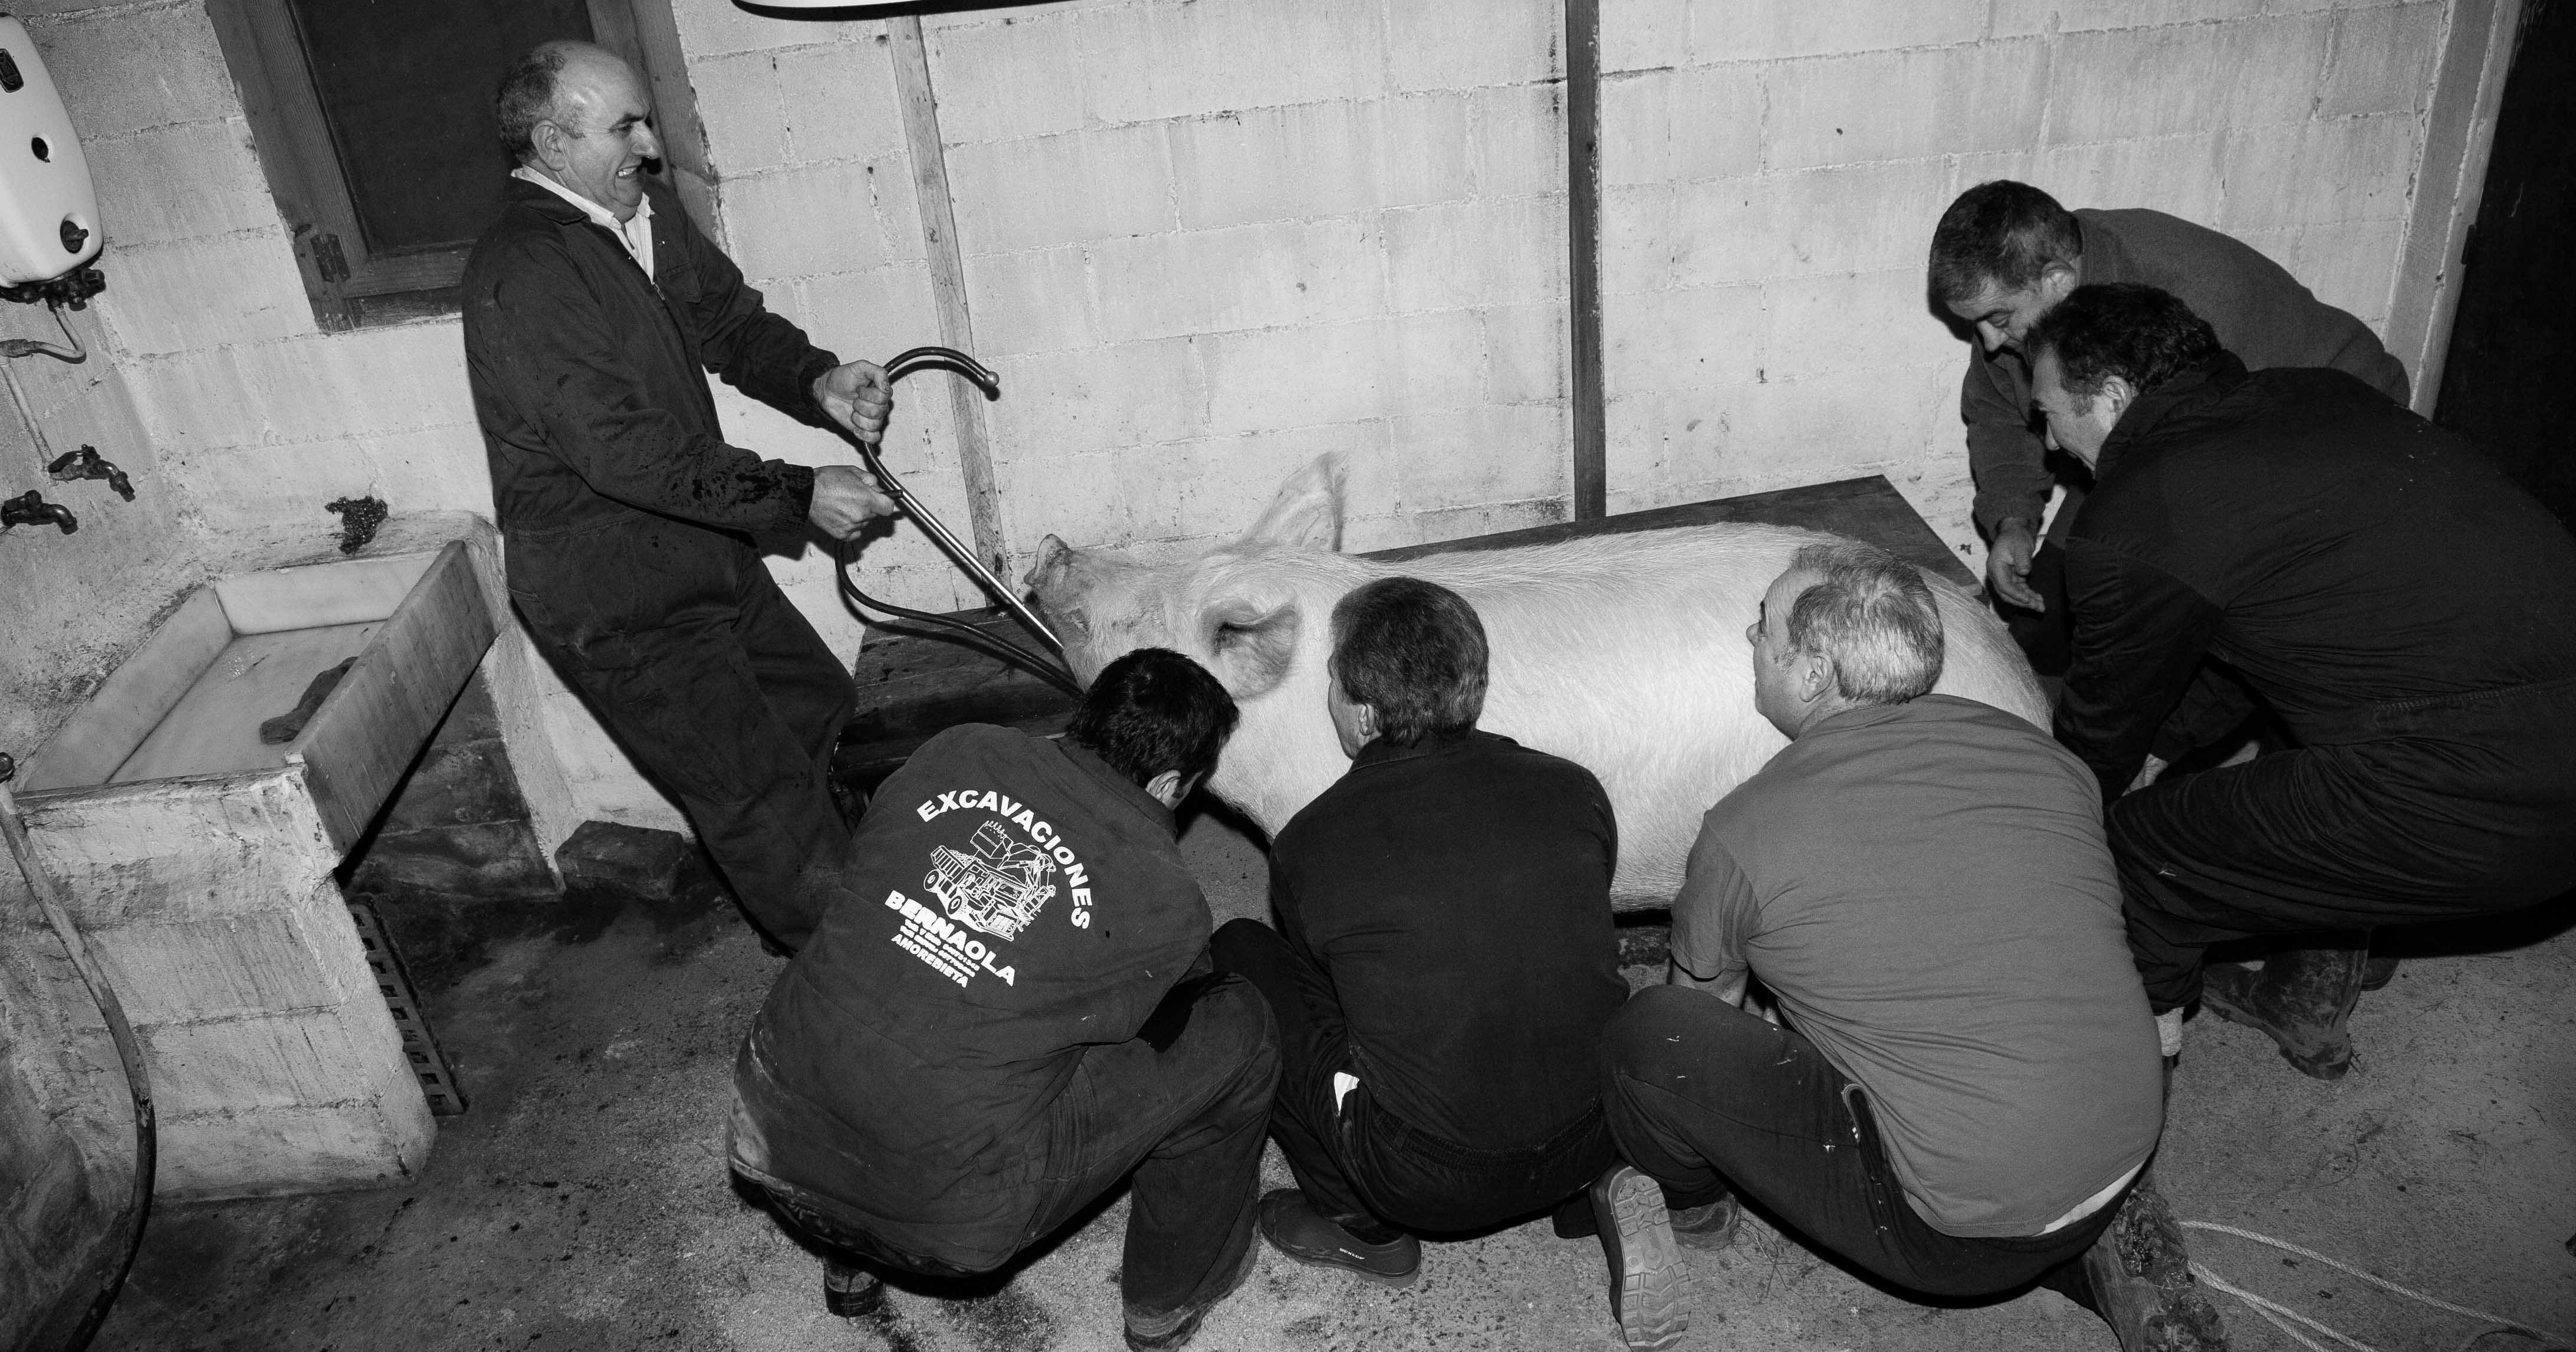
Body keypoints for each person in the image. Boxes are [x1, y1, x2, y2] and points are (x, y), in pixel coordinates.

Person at [1593, 542, 2220, 1352]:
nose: (1751, 637)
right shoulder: (2043, 755)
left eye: (1763, 627)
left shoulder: (1747, 828)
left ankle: (1700, 1207)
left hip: (1953, 1234)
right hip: (2126, 1142)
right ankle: (2098, 1250)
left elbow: (1700, 1015)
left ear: (1813, 674)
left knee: (1650, 1037)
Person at [2026, 284, 2576, 1079]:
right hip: (2532, 726)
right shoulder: (2315, 396)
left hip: (2495, 794)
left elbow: (2096, 735)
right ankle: (2318, 978)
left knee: (2146, 851)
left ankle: (2134, 1086)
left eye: (2050, 414)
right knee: (2294, 736)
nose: (2048, 441)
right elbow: (2257, 642)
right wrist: (2168, 743)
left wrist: (2046, 821)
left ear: (2112, 397)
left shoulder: (2139, 516)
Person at [461, 39, 897, 951]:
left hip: (695, 541)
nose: (651, 147)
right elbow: (621, 452)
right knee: (760, 797)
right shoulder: (527, 269)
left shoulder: (640, 216)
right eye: (624, 128)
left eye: (646, 123)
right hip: (612, 587)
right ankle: (857, 966)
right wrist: (796, 493)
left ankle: (847, 903)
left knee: (813, 702)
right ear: (552, 144)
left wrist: (814, 381)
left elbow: (728, 323)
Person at [728, 649, 1279, 1352]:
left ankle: (849, 1259)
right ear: (1171, 783)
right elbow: (1161, 1023)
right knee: (1234, 1027)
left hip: (767, 1124)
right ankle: (1170, 1293)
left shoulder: (956, 749)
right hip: (946, 1217)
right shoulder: (1166, 896)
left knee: (896, 973)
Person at [1208, 577, 1629, 1292]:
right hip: (1599, 1130)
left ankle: (1360, 1226)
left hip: (1428, 1178)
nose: (1330, 694)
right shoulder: (1574, 787)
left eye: (1333, 678)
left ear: (1364, 712)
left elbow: (1326, 983)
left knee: (1243, 951)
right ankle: (1583, 1195)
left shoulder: (1313, 841)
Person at [1927, 180, 2409, 691]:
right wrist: (2013, 519)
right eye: (1977, 324)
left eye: (1999, 319)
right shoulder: (2025, 307)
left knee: (2197, 642)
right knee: (2046, 625)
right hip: (2164, 442)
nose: (1989, 342)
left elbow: (2193, 479)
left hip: (2324, 428)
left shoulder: (2190, 295)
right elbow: (2000, 414)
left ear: (2059, 280)